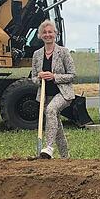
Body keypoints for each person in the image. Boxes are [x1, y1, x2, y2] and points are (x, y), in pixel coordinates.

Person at [32, 20, 77, 159]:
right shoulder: (37, 54)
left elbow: (72, 75)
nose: (47, 35)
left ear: (55, 34)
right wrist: (39, 77)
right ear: (40, 35)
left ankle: (49, 147)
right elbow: (33, 77)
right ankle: (65, 157)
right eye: (44, 32)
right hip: (45, 95)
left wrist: (54, 76)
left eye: (50, 32)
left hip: (63, 93)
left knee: (50, 110)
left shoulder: (63, 52)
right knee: (57, 128)